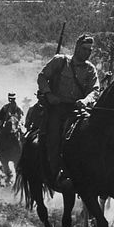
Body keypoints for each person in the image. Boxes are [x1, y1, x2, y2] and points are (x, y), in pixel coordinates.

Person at [36, 33, 100, 183]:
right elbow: (42, 77)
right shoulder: (60, 61)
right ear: (77, 47)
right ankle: (54, 172)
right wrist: (49, 94)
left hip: (78, 109)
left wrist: (86, 100)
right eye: (85, 49)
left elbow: (95, 90)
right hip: (57, 107)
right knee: (54, 137)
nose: (87, 53)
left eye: (90, 50)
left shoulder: (90, 69)